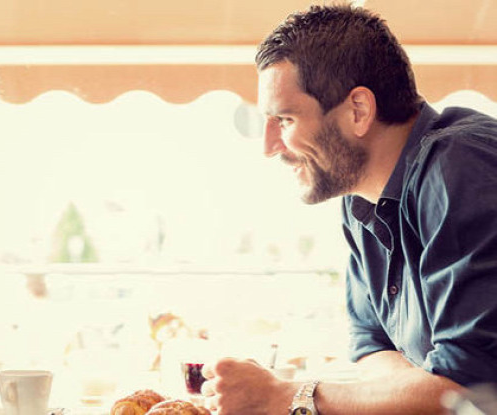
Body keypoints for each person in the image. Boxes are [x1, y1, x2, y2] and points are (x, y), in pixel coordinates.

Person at [201, 4, 497, 415]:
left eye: (284, 119)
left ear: (358, 110)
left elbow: (471, 396)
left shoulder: (460, 167)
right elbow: (370, 345)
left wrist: (283, 396)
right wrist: (421, 392)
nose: (269, 146)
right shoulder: (360, 200)